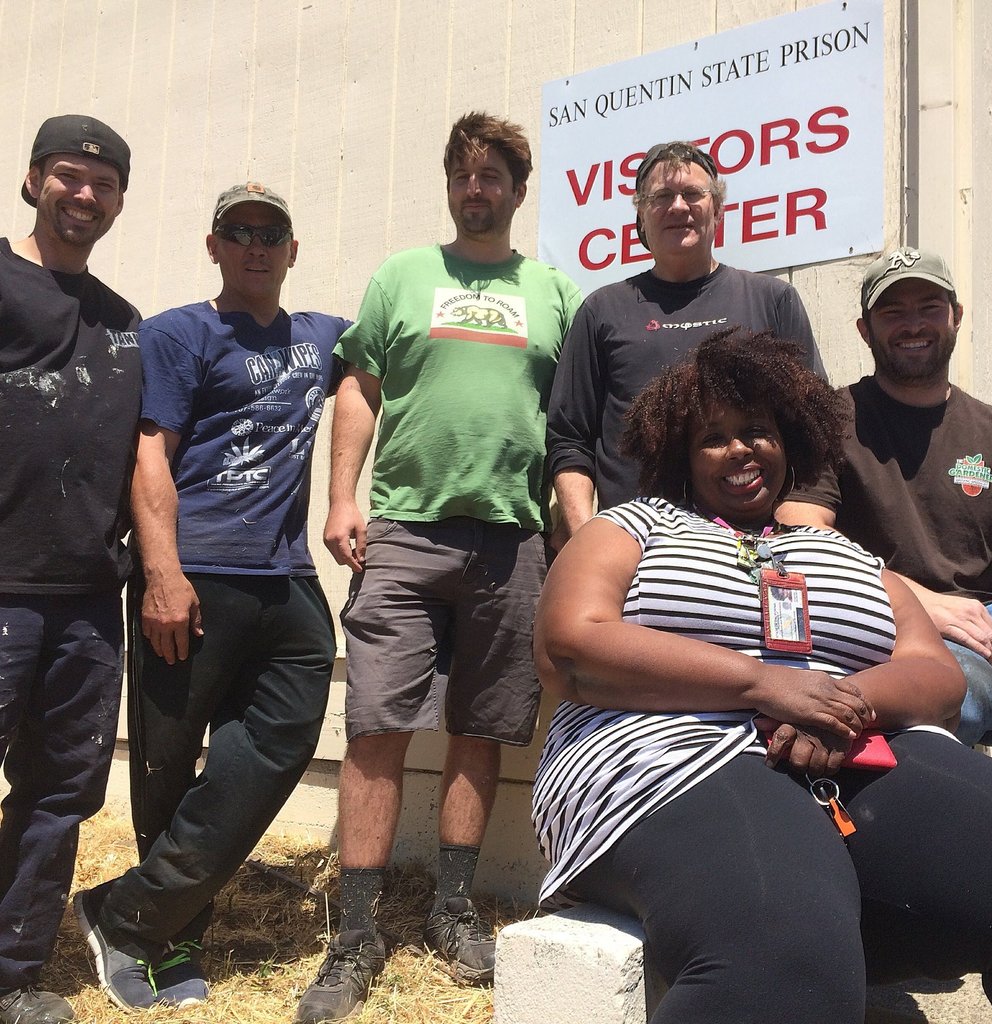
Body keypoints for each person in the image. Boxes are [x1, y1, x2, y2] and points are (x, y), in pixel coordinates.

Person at [532, 328, 992, 1024]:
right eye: (713, 438)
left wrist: (840, 704)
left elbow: (935, 672)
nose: (740, 449)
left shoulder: (843, 552)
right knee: (783, 956)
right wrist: (767, 686)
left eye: (757, 430)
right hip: (668, 757)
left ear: (790, 441)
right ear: (680, 454)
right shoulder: (632, 527)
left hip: (857, 747)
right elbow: (570, 645)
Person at [294, 112, 580, 1024]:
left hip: (514, 539)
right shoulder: (403, 275)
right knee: (377, 724)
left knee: (481, 727)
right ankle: (356, 933)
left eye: (492, 175)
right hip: (405, 532)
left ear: (518, 190)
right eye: (462, 174)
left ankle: (452, 909)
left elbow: (573, 421)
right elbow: (359, 386)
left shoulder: (554, 291)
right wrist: (342, 498)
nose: (475, 188)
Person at [73, 182, 350, 1010]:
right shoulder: (178, 333)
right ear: (214, 246)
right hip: (192, 574)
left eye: (271, 234)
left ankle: (126, 915)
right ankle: (168, 939)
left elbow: (400, 353)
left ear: (293, 250)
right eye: (239, 232)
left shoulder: (324, 338)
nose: (255, 246)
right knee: (166, 763)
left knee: (281, 738)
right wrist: (162, 574)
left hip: (287, 577)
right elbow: (149, 458)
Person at [0, 114, 138, 1024]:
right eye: (68, 176)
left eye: (103, 183)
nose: (84, 194)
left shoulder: (122, 323)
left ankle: (13, 974)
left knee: (59, 797)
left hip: (88, 601)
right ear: (33, 181)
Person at [776, 246, 992, 746]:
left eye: (929, 307)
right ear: (865, 330)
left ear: (956, 316)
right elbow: (798, 532)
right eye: (893, 312)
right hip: (883, 619)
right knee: (954, 692)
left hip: (990, 620)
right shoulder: (831, 419)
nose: (913, 325)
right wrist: (919, 602)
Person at [546, 140, 825, 542]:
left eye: (693, 193)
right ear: (641, 217)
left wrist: (790, 534)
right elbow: (570, 439)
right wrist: (586, 539)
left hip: (750, 548)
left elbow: (813, 429)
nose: (678, 207)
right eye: (661, 197)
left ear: (718, 209)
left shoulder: (773, 300)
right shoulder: (601, 311)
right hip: (635, 549)